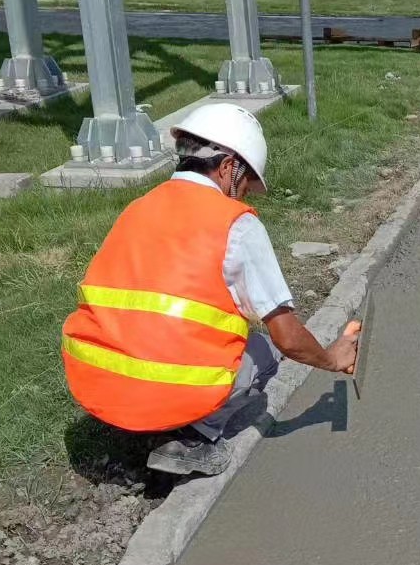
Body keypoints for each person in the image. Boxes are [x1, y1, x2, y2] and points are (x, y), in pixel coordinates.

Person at [61, 103, 360, 477]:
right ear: (228, 166)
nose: (246, 194)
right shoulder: (234, 224)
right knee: (264, 351)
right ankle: (191, 441)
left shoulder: (138, 207)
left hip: (97, 386)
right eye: (247, 182)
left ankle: (139, 426)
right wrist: (333, 358)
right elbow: (287, 337)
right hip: (160, 394)